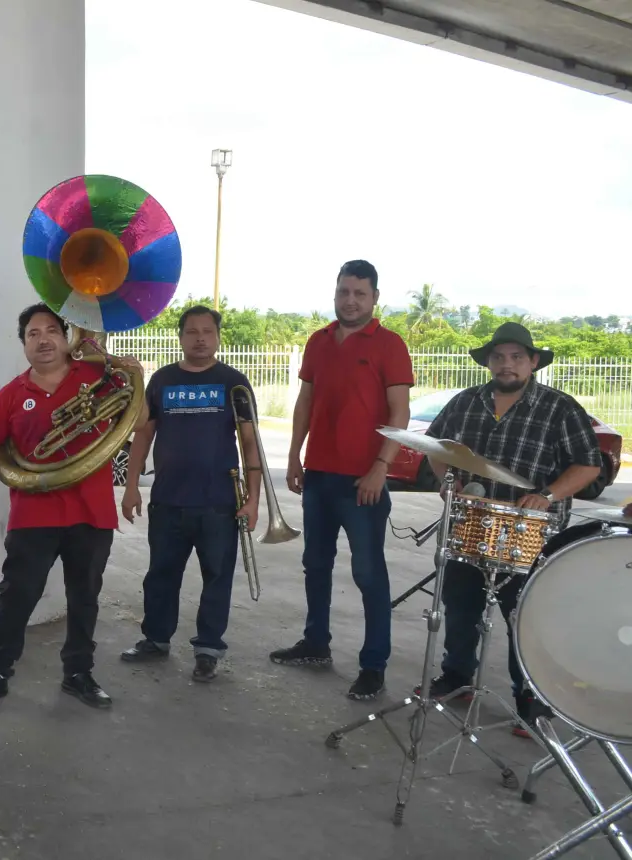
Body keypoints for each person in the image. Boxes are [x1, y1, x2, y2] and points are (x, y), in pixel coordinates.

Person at [420, 322, 602, 731]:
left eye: (517, 357)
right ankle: (456, 676)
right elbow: (436, 446)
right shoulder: (465, 402)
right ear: (488, 362)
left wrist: (549, 494)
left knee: (524, 615)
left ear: (533, 362)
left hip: (530, 530)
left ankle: (529, 696)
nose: (507, 364)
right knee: (461, 605)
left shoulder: (559, 407)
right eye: (499, 357)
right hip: (472, 523)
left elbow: (589, 464)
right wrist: (450, 486)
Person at [0, 304, 143, 710]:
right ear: (23, 344)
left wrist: (137, 378)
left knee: (85, 597)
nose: (42, 339)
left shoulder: (99, 378)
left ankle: (78, 674)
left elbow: (138, 418)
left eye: (50, 331)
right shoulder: (11, 395)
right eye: (32, 333)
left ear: (65, 339)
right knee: (18, 595)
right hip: (34, 514)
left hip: (92, 512)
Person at [270, 259, 414, 701]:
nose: (350, 300)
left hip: (362, 483)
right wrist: (295, 455)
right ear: (335, 293)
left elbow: (400, 413)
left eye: (359, 293)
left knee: (369, 573)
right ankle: (316, 643)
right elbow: (305, 401)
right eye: (343, 292)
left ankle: (374, 665)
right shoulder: (318, 341)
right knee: (316, 565)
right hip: (319, 475)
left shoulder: (389, 344)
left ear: (374, 298)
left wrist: (379, 467)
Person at [118, 306, 261, 683]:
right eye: (192, 331)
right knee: (161, 575)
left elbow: (250, 443)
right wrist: (131, 487)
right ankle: (155, 639)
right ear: (180, 337)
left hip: (219, 503)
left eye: (208, 331)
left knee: (217, 578)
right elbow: (143, 435)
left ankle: (209, 649)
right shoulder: (163, 380)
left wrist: (254, 499)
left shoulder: (234, 382)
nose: (200, 338)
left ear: (217, 337)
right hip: (168, 500)